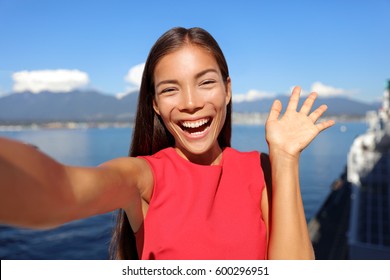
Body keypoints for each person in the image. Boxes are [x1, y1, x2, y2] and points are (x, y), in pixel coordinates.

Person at [0, 27, 334, 260]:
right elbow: (61, 190)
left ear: (228, 90)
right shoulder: (142, 177)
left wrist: (285, 158)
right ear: (155, 104)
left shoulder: (260, 168)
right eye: (170, 89)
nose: (190, 103)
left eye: (205, 83)